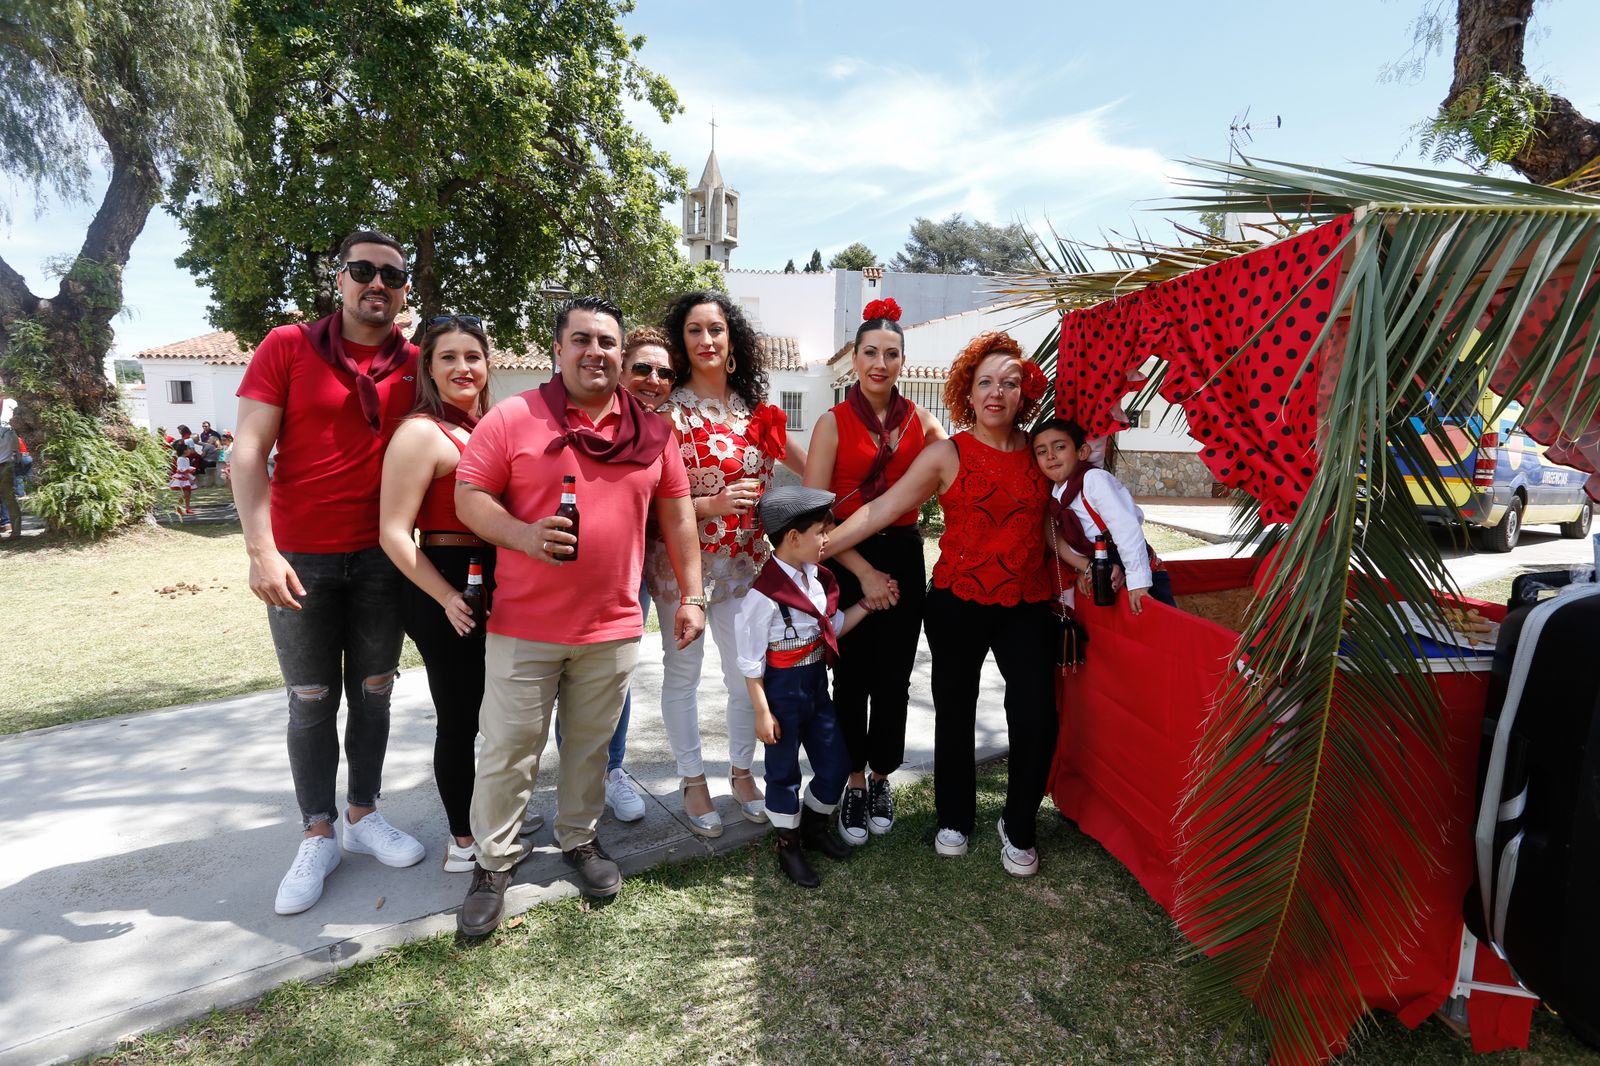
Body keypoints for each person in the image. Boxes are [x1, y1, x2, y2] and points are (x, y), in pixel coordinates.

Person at [453, 295, 705, 936]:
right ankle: (493, 861)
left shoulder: (653, 433)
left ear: (621, 354)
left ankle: (580, 838)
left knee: (591, 749)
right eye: (583, 340)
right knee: (509, 751)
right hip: (524, 626)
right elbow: (469, 496)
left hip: (612, 626)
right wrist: (523, 535)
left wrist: (693, 595)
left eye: (608, 342)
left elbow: (678, 516)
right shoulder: (514, 417)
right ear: (558, 349)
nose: (597, 352)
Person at [233, 229, 425, 916]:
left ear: (405, 291)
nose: (378, 284)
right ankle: (318, 832)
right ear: (338, 279)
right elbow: (248, 451)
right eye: (363, 271)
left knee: (375, 691)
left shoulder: (418, 363)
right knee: (311, 698)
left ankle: (362, 814)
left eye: (392, 276)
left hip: (383, 556)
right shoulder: (288, 346)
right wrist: (261, 550)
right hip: (300, 559)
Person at [828, 331, 1057, 878]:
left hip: (1028, 602)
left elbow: (1069, 514)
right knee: (954, 712)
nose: (997, 393)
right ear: (968, 393)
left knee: (1036, 715)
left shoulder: (1043, 453)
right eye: (986, 383)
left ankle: (1019, 825)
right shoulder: (945, 453)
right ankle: (954, 817)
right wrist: (821, 545)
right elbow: (883, 509)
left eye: (1010, 383)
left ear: (1025, 392)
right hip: (957, 603)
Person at [644, 291, 807, 837]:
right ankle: (692, 780)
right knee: (683, 673)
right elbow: (647, 500)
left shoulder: (758, 412)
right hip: (682, 565)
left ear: (732, 339)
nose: (706, 340)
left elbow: (809, 466)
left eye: (716, 329)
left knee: (746, 675)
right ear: (682, 341)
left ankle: (741, 773)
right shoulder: (668, 414)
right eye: (694, 330)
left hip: (745, 564)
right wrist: (708, 504)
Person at [803, 297, 947, 845]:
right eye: (870, 352)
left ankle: (883, 775)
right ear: (855, 359)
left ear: (903, 361)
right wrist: (863, 573)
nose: (880, 363)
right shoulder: (832, 423)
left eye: (891, 353)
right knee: (851, 677)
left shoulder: (924, 422)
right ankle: (854, 780)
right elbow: (815, 516)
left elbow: (960, 473)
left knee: (894, 677)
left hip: (904, 554)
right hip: (844, 555)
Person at [548, 325, 680, 825]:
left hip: (633, 573)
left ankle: (612, 769)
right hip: (564, 571)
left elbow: (674, 510)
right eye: (642, 368)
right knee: (563, 681)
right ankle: (573, 777)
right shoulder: (582, 419)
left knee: (613, 679)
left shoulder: (663, 431)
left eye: (664, 373)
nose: (653, 380)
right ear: (621, 370)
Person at [378, 315, 496, 873]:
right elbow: (393, 533)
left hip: (495, 580)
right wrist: (448, 596)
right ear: (428, 367)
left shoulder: (489, 428)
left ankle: (491, 814)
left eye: (472, 356)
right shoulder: (421, 433)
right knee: (459, 717)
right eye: (448, 357)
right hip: (443, 584)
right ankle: (463, 840)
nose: (462, 367)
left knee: (498, 715)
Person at [737, 486, 873, 886]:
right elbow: (750, 663)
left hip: (816, 686)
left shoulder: (817, 579)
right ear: (794, 538)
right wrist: (762, 712)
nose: (827, 539)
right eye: (821, 532)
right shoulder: (763, 597)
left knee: (835, 765)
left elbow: (830, 628)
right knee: (783, 773)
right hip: (782, 692)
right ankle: (788, 845)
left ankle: (813, 829)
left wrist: (866, 605)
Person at [1031, 417, 1174, 613]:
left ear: (1082, 451)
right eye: (1041, 452)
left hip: (1138, 569)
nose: (1050, 456)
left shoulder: (1094, 480)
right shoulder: (1055, 497)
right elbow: (1063, 540)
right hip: (1102, 569)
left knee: (1159, 624)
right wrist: (1086, 569)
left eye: (1060, 447)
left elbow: (1126, 528)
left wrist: (1138, 581)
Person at [0, 414, 20, 539]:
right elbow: (16, 448)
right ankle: (16, 532)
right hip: (6, 466)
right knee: (10, 500)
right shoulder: (9, 431)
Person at [169, 443, 198, 514]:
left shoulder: (186, 459)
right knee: (185, 494)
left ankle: (187, 507)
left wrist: (191, 477)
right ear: (184, 451)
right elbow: (182, 470)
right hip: (182, 477)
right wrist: (190, 479)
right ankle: (178, 507)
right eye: (188, 449)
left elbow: (186, 469)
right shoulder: (180, 459)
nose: (190, 450)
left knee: (188, 493)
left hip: (186, 476)